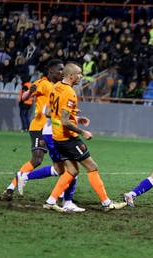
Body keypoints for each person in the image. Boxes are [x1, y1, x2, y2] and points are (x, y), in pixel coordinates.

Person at [43, 63, 126, 212]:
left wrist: (74, 116)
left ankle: (50, 201)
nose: (81, 76)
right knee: (92, 167)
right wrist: (83, 132)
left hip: (57, 138)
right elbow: (64, 121)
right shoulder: (69, 92)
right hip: (69, 139)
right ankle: (107, 203)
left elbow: (48, 112)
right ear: (71, 76)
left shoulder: (56, 87)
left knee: (72, 172)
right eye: (79, 73)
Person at [1, 59, 63, 201]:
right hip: (39, 128)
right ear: (51, 71)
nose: (62, 72)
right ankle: (11, 187)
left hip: (54, 129)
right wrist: (29, 93)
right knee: (37, 159)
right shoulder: (42, 83)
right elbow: (23, 97)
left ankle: (62, 193)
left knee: (63, 162)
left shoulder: (60, 86)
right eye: (59, 69)